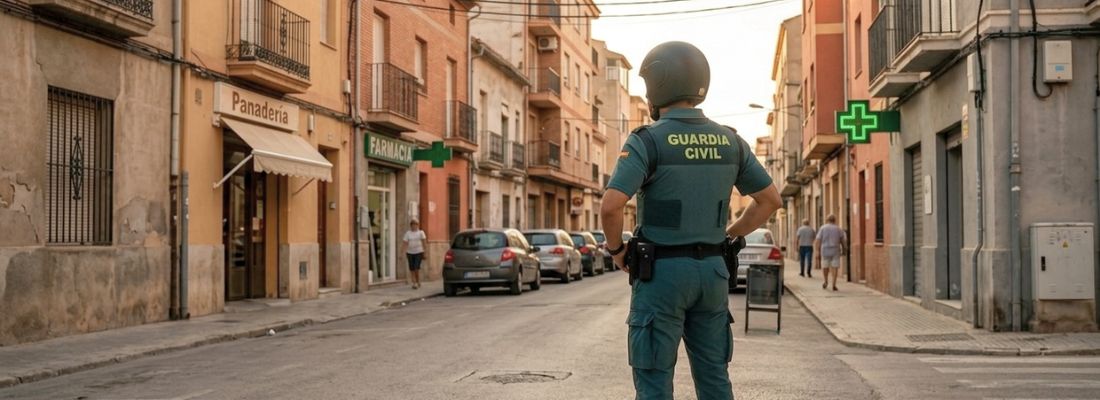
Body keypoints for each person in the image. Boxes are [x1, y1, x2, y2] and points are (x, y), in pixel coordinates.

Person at [600, 41, 782, 400]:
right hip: (713, 273)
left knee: (654, 380)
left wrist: (617, 250)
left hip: (662, 275)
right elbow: (769, 201)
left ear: (658, 84)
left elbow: (611, 206)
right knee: (714, 377)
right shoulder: (731, 141)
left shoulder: (647, 141)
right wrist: (728, 235)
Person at [814, 215, 847, 291]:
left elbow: (818, 240)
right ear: (834, 220)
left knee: (825, 266)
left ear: (827, 220)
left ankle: (826, 281)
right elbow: (842, 240)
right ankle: (834, 284)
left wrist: (817, 251)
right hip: (835, 250)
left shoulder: (823, 228)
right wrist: (844, 249)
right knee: (835, 267)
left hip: (825, 249)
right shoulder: (838, 229)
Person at [402, 220, 427, 289]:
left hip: (419, 252)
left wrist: (425, 252)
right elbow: (405, 243)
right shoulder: (408, 233)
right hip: (410, 252)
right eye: (412, 225)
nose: (414, 226)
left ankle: (418, 280)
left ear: (417, 225)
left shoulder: (421, 233)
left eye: (415, 225)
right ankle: (414, 282)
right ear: (411, 226)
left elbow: (424, 242)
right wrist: (403, 252)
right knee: (411, 268)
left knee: (416, 267)